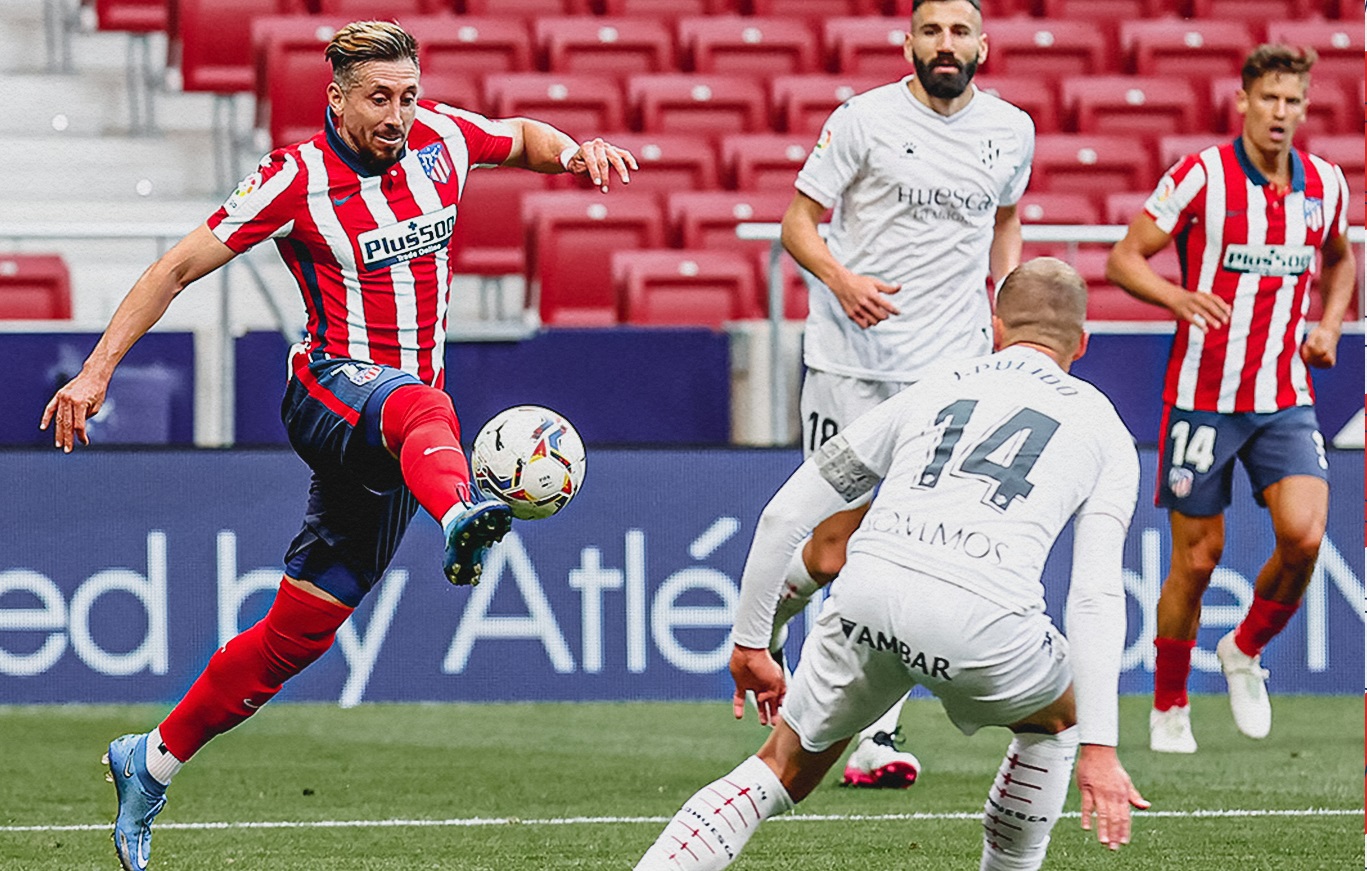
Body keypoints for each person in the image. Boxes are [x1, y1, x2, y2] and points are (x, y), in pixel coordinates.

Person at [39, 20, 637, 871]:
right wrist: (96, 372)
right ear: (337, 97)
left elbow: (524, 138)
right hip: (330, 389)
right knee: (421, 402)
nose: (396, 114)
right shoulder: (296, 177)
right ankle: (462, 518)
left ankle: (152, 759)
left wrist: (577, 152)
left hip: (404, 444)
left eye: (406, 95)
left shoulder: (442, 140)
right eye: (378, 98)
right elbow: (175, 267)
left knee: (298, 633)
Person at [633, 258, 1147, 871]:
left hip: (867, 594)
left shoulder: (937, 387)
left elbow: (783, 516)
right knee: (1058, 720)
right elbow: (1093, 596)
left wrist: (751, 643)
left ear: (995, 328)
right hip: (983, 618)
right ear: (1082, 343)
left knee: (779, 769)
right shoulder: (1106, 429)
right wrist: (1100, 746)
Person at [773, 0, 1034, 787]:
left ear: (981, 46)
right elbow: (796, 222)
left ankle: (875, 735)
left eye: (958, 32)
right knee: (830, 549)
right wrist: (840, 279)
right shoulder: (862, 120)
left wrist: (1005, 312)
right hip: (850, 363)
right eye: (931, 31)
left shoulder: (1011, 130)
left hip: (949, 370)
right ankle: (764, 624)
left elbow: (1006, 219)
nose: (945, 45)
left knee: (904, 547)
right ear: (909, 43)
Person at [1105, 44, 1356, 754]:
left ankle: (1244, 649)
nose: (1281, 113)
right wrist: (1176, 296)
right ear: (1242, 100)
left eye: (1294, 102)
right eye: (1269, 98)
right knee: (1195, 560)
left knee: (1305, 535)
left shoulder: (1324, 185)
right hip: (1201, 396)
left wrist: (1330, 322)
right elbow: (1123, 258)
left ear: (1305, 109)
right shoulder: (1200, 176)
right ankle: (1168, 702)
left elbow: (1340, 260)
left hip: (1282, 393)